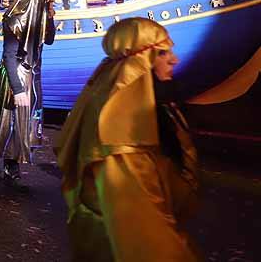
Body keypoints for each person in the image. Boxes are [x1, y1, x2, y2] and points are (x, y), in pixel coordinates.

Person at [55, 18, 198, 261]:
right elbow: (142, 229)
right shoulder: (121, 136)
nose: (174, 60)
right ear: (139, 63)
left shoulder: (156, 109)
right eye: (162, 53)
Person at [0, 0, 56, 186]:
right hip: (15, 74)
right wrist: (18, 89)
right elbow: (9, 57)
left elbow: (48, 40)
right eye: (49, 1)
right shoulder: (15, 20)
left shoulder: (40, 18)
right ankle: (5, 161)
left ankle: (0, 155)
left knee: (27, 121)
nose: (52, 5)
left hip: (32, 73)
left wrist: (49, 18)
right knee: (9, 121)